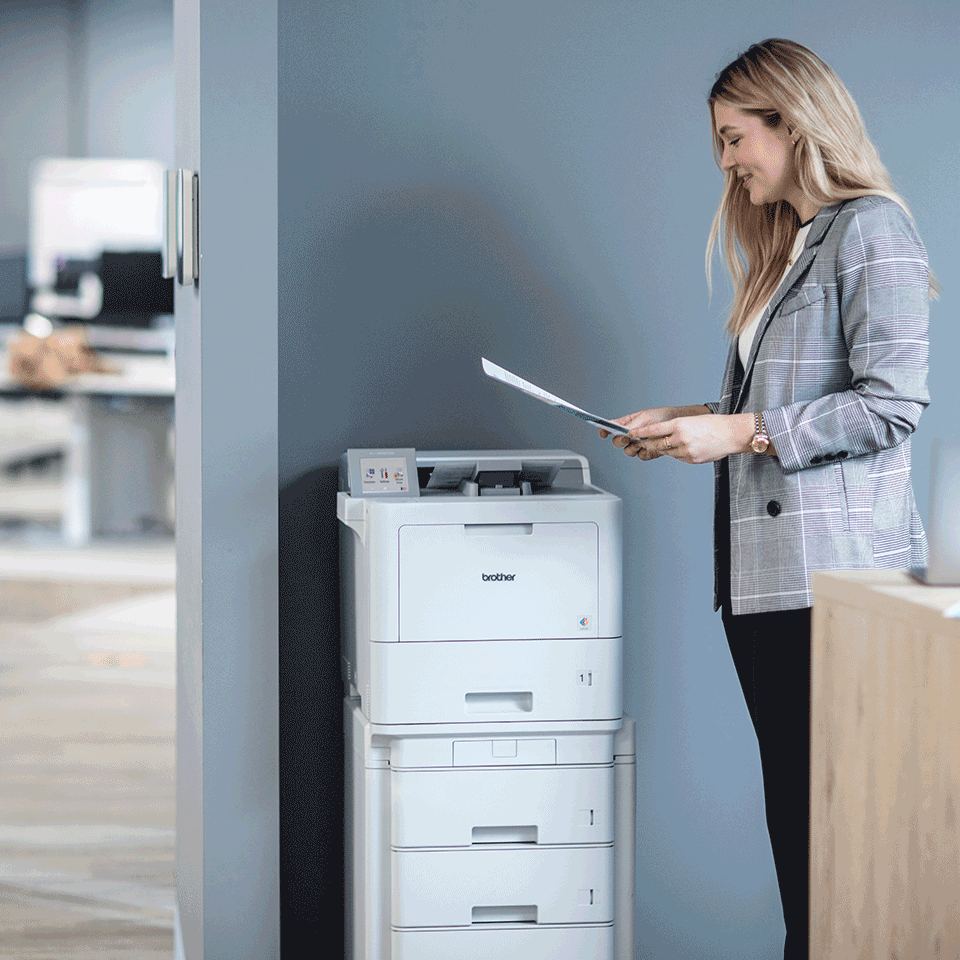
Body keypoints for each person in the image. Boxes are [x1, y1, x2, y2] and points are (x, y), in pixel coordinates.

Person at [600, 38, 936, 960]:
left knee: (838, 819)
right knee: (800, 809)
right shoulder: (794, 245)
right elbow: (783, 401)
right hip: (763, 580)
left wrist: (738, 433)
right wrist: (688, 418)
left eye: (735, 137)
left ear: (793, 122)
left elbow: (894, 403)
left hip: (838, 583)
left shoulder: (871, 230)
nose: (727, 161)